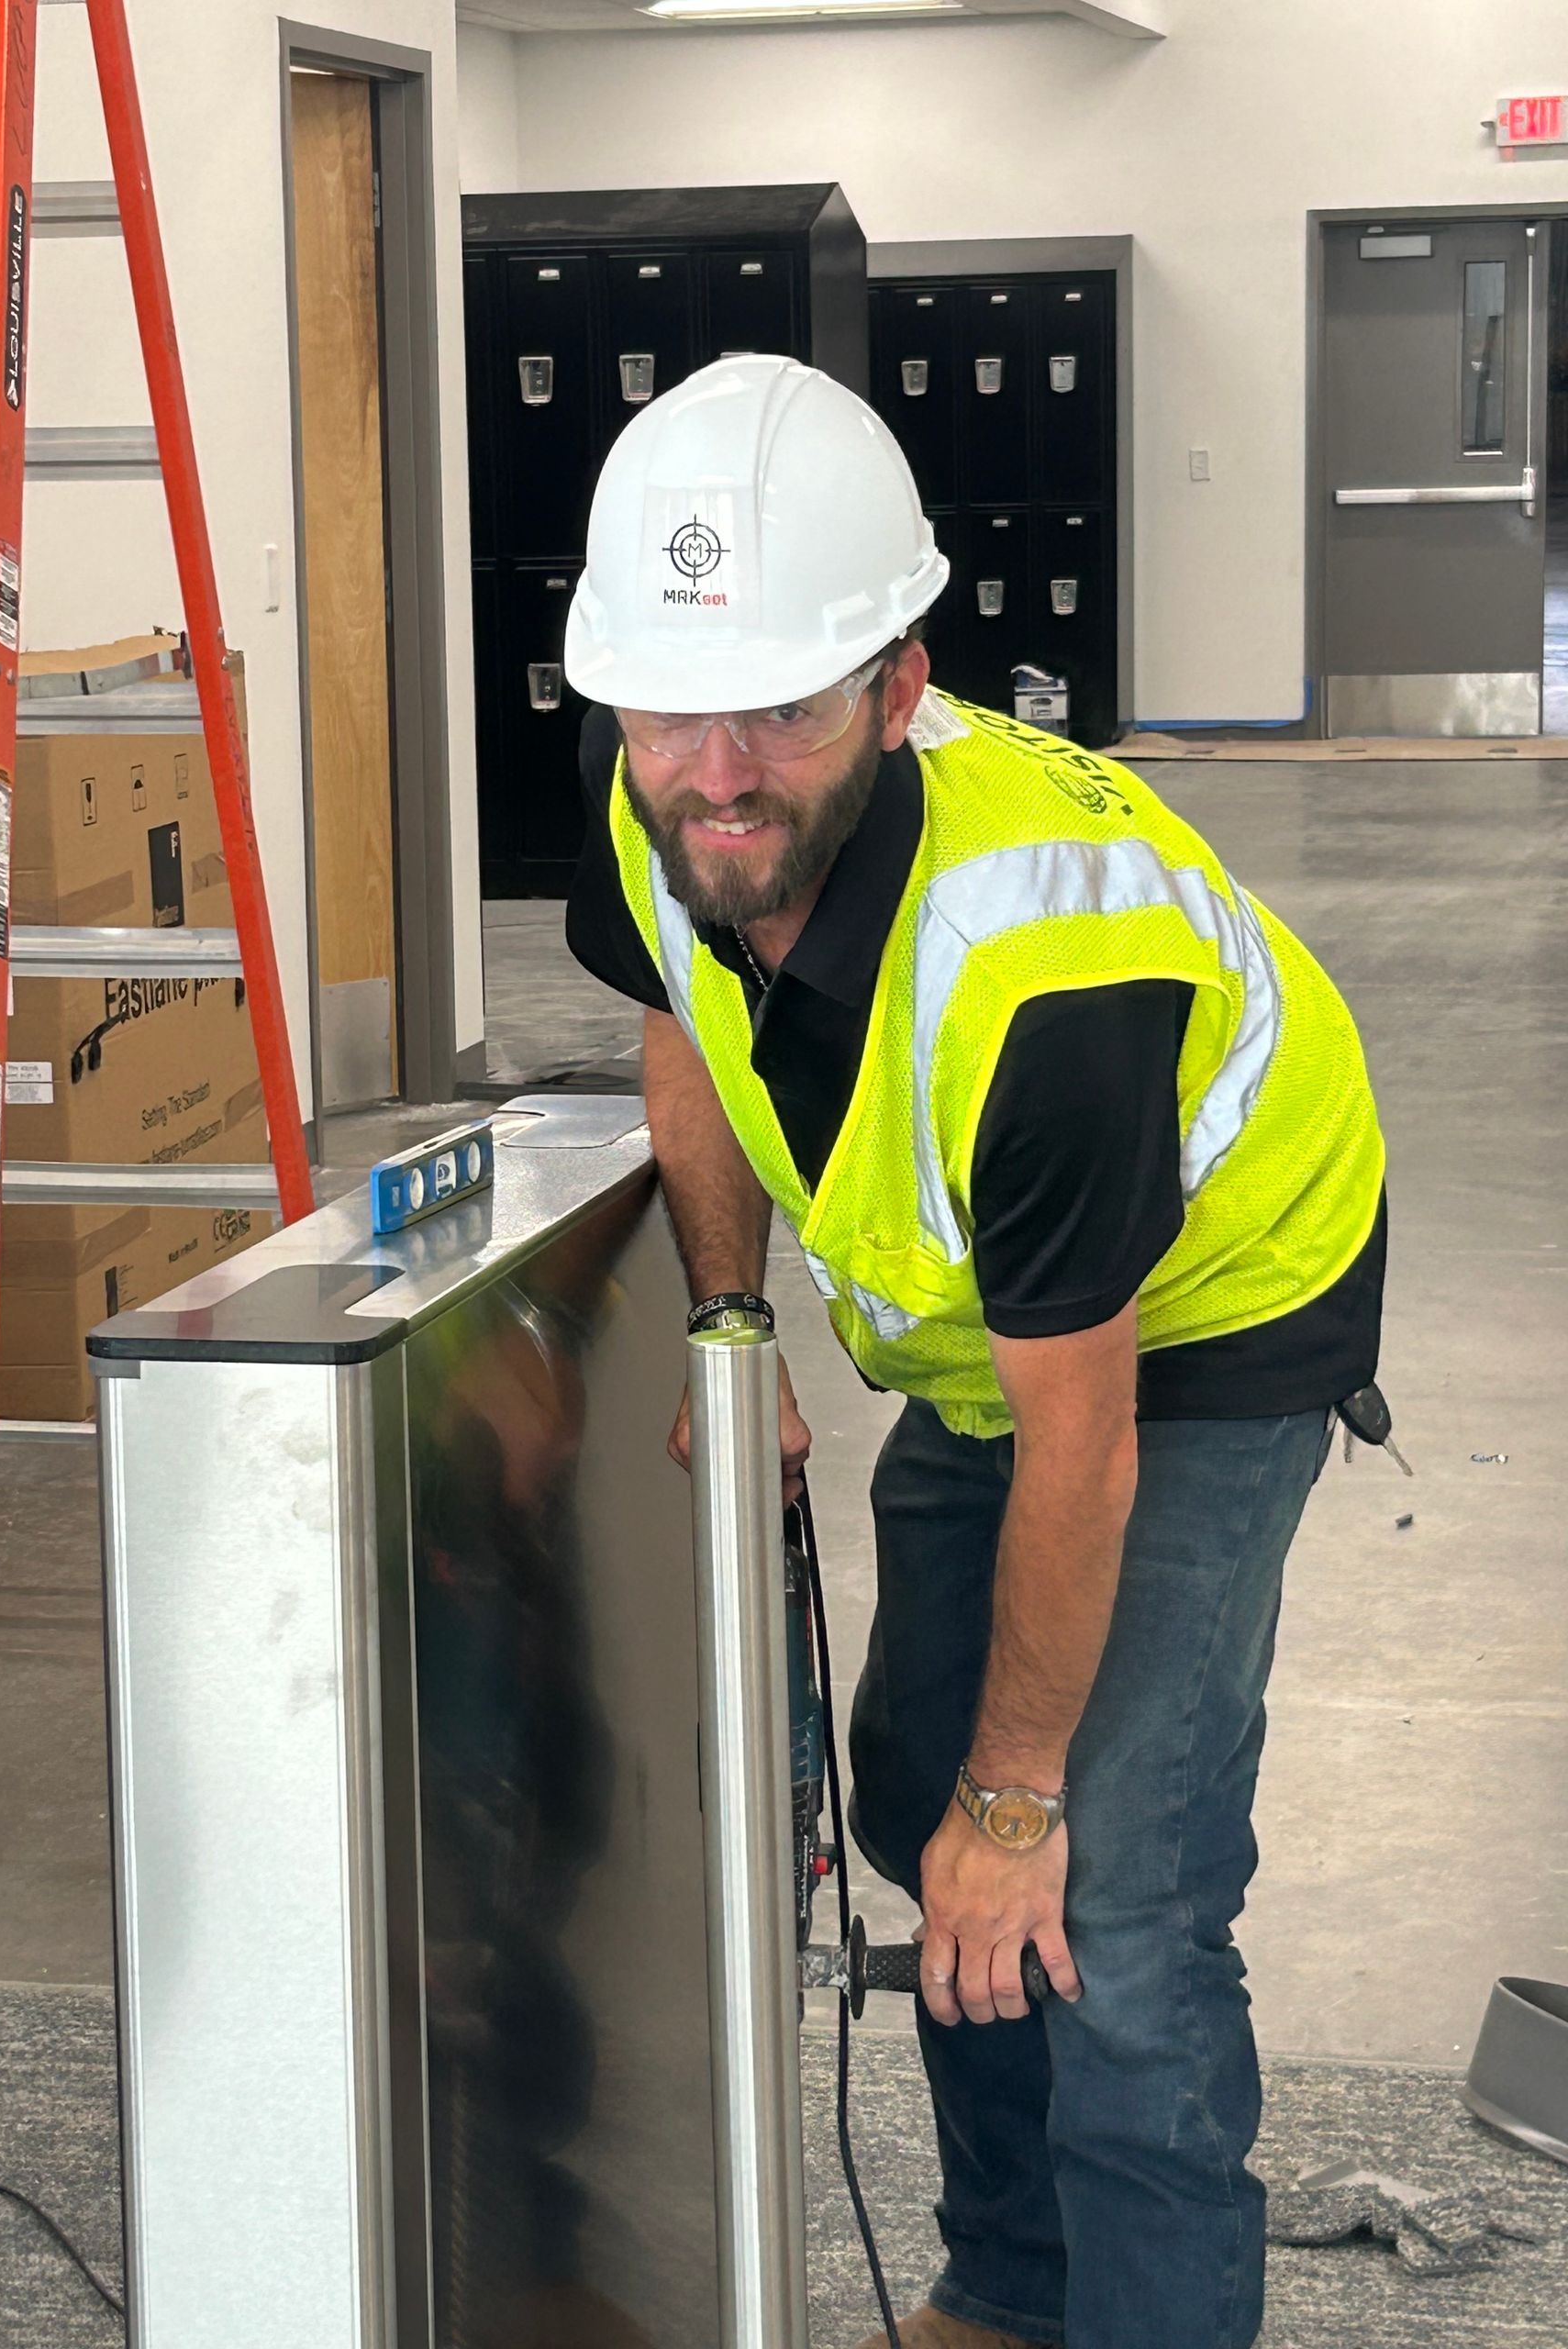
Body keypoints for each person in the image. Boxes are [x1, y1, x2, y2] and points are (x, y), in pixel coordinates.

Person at [563, 354, 1386, 2349]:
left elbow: (1082, 1449)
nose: (723, 767)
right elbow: (683, 1007)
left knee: (1097, 1887)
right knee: (920, 1768)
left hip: (1208, 1316)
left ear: (901, 687)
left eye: (786, 703)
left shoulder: (1046, 976)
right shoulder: (660, 799)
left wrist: (1023, 1812)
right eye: (677, 709)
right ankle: (1012, 2290)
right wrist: (734, 1322)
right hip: (986, 1336)